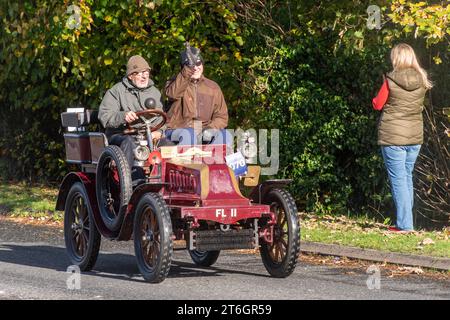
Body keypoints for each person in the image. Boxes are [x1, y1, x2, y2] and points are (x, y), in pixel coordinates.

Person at [372, 43, 433, 233]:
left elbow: (377, 104)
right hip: (414, 137)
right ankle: (406, 222)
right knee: (406, 178)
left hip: (393, 137)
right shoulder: (422, 79)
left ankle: (405, 225)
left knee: (399, 180)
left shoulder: (390, 80)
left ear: (396, 58)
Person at [98, 55, 167, 170]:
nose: (144, 76)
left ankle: (172, 183)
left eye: (146, 72)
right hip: (122, 135)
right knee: (129, 143)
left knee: (168, 145)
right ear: (130, 76)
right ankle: (130, 181)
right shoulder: (117, 91)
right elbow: (104, 115)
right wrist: (123, 116)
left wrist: (159, 132)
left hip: (148, 136)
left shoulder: (154, 92)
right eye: (139, 73)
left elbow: (161, 117)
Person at [164, 45, 231, 146]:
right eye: (190, 65)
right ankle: (185, 161)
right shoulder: (173, 83)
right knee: (189, 134)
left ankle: (214, 161)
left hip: (202, 130)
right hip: (177, 129)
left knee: (225, 135)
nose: (195, 68)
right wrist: (186, 72)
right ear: (183, 68)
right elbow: (173, 94)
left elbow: (221, 117)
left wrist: (210, 129)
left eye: (198, 63)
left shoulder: (213, 87)